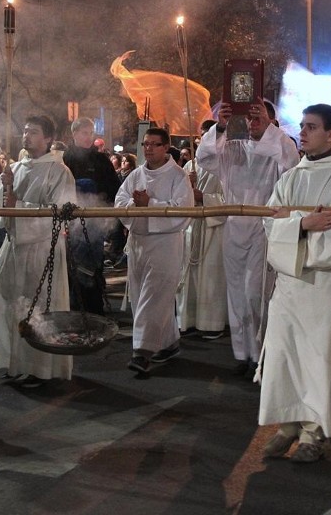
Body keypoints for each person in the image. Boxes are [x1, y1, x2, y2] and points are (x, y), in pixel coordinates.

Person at [259, 104, 331, 463]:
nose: (302, 133)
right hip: (291, 282)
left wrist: (293, 224)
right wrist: (304, 225)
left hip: (327, 282)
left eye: (311, 127)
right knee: (285, 355)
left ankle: (313, 432)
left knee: (319, 359)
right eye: (302, 126)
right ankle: (287, 426)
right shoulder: (291, 176)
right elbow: (269, 222)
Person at [196, 97, 300, 375]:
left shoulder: (279, 145)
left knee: (256, 292)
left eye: (259, 118)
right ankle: (242, 354)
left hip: (263, 227)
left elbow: (291, 164)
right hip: (234, 226)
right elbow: (204, 158)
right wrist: (220, 127)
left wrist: (267, 127)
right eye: (250, 118)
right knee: (237, 294)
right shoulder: (233, 148)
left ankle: (262, 351)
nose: (253, 124)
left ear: (270, 121)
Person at [0, 115, 76, 388]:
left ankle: (41, 369)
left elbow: (61, 213)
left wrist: (18, 204)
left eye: (34, 132)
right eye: (25, 131)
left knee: (40, 309)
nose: (26, 136)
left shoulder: (59, 171)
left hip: (41, 249)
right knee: (13, 306)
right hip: (14, 246)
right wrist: (5, 188)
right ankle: (17, 363)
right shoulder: (15, 167)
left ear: (48, 138)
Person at [116, 127, 193, 374]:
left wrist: (150, 205)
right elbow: (120, 201)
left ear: (165, 147)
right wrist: (134, 205)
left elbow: (183, 211)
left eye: (154, 144)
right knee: (143, 297)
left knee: (153, 297)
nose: (148, 148)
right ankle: (168, 343)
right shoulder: (135, 175)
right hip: (139, 242)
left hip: (165, 243)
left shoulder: (178, 176)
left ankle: (142, 352)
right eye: (145, 144)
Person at [62, 117, 120, 315]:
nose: (88, 137)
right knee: (71, 265)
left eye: (91, 133)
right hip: (70, 221)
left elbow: (113, 188)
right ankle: (73, 305)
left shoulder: (101, 160)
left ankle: (94, 306)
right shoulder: (64, 159)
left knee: (92, 264)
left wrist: (106, 208)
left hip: (95, 221)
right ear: (74, 133)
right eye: (84, 133)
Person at [176, 120, 228, 339]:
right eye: (202, 137)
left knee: (211, 277)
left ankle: (211, 323)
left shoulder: (227, 165)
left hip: (214, 230)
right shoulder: (190, 166)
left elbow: (230, 201)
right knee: (189, 277)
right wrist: (186, 186)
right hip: (191, 227)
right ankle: (186, 321)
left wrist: (203, 197)